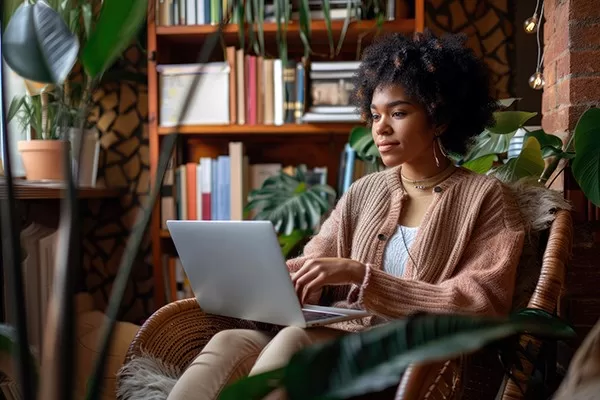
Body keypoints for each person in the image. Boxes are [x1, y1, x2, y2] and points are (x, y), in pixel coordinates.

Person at [166, 30, 526, 400]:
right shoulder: (364, 192)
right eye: (374, 115)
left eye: (398, 113)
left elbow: (482, 304)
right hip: (342, 335)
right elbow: (315, 260)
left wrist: (361, 275)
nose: (381, 128)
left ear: (440, 119)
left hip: (412, 361)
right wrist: (268, 280)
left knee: (295, 340)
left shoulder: (486, 198)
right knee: (229, 342)